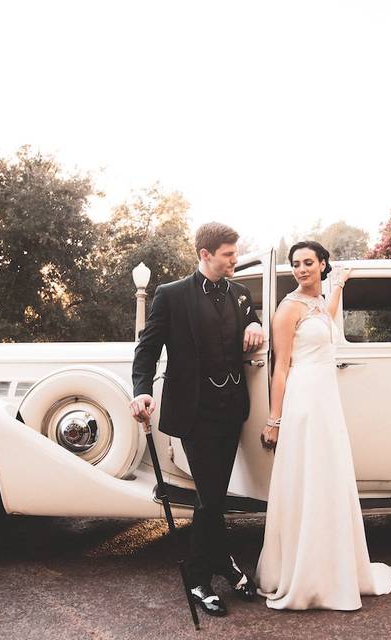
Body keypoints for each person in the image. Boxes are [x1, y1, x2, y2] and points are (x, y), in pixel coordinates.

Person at [255, 240, 391, 610]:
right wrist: (275, 420)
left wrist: (342, 284)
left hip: (327, 402)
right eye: (295, 264)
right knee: (306, 479)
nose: (301, 269)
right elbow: (281, 366)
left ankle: (332, 567)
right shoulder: (288, 309)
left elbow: (327, 315)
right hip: (303, 400)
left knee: (328, 478)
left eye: (307, 262)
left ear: (322, 264)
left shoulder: (319, 304)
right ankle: (302, 573)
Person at [130, 222, 264, 617]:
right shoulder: (171, 295)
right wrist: (141, 389)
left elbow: (252, 317)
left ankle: (219, 563)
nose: (235, 260)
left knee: (215, 496)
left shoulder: (239, 294)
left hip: (231, 407)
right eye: (228, 255)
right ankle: (200, 578)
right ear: (205, 254)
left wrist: (255, 322)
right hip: (194, 410)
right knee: (210, 496)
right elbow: (147, 347)